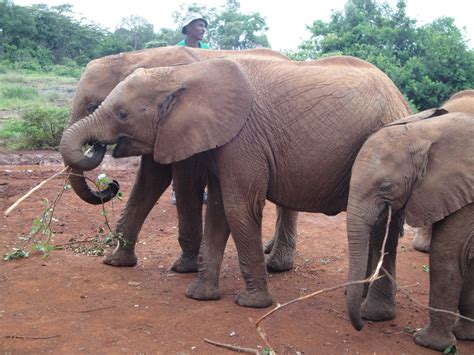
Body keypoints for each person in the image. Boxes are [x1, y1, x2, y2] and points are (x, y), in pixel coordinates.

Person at [171, 13, 209, 205]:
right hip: (179, 103)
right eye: (199, 25)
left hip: (201, 104)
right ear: (188, 28)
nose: (203, 29)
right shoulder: (176, 50)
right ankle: (177, 191)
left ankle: (201, 190)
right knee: (179, 147)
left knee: (202, 148)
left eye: (204, 26)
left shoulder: (207, 50)